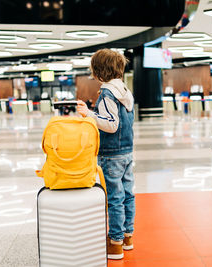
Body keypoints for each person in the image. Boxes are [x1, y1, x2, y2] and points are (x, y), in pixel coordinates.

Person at [77, 49, 135, 260]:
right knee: (128, 194)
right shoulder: (126, 91)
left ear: (100, 72)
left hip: (111, 154)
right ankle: (128, 237)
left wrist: (89, 115)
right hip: (127, 152)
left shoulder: (107, 93)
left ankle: (115, 242)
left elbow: (111, 125)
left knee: (115, 198)